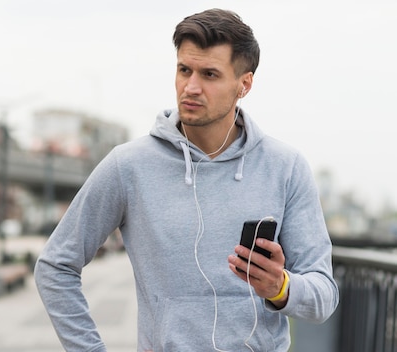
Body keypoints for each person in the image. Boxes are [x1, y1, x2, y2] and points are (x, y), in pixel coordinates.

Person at [34, 8, 339, 352]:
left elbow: (323, 296)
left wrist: (280, 287)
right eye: (184, 70)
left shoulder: (286, 167)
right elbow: (55, 266)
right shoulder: (129, 165)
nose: (191, 87)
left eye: (210, 74)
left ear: (244, 84)